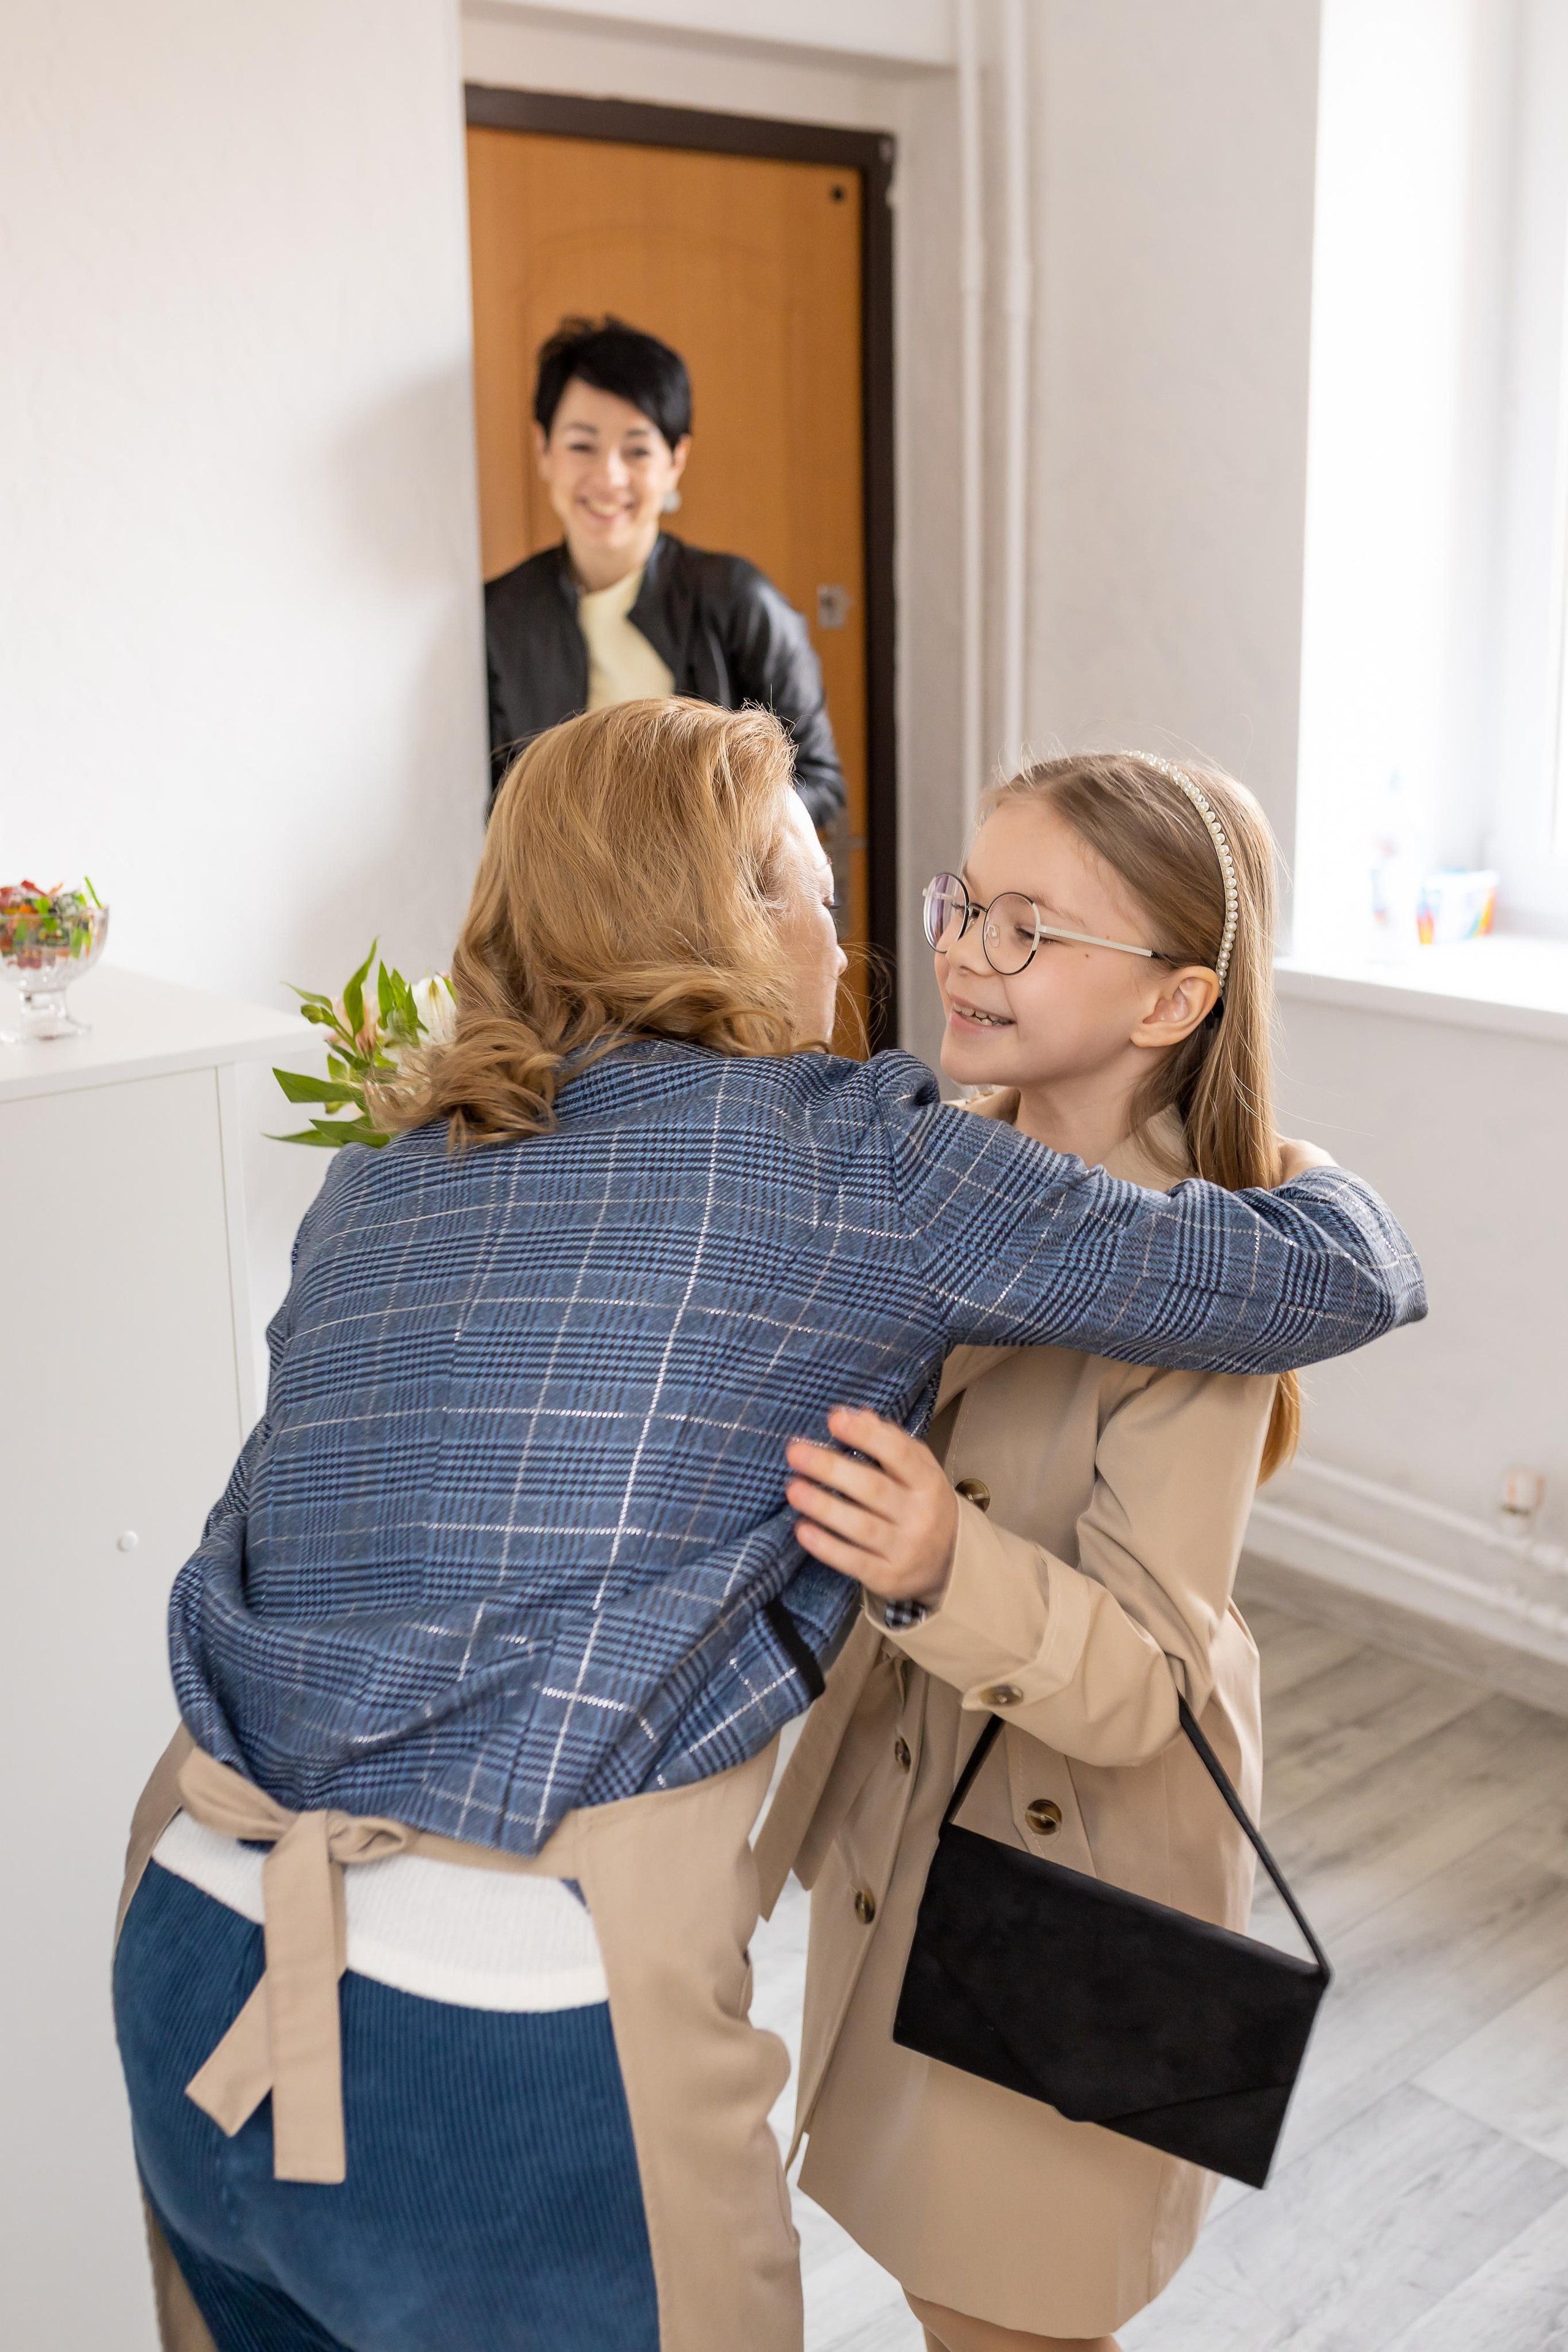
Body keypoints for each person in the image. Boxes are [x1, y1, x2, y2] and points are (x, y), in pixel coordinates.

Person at [111, 702, 1422, 2352]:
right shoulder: (870, 1164)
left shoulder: (392, 1162)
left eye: (1024, 925)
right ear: (720, 915)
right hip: (509, 2019)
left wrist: (950, 1571)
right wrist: (1317, 1171)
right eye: (827, 890)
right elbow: (1337, 1273)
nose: (877, 945)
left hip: (186, 1932)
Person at [764, 751, 1337, 2351]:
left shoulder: (1206, 1278)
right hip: (907, 1841)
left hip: (1061, 1889)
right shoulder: (941, 1156)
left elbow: (1143, 1683)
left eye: (1027, 928)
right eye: (963, 904)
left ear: (1171, 1001)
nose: (960, 953)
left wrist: (941, 1561)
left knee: (1006, 2305)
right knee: (933, 2273)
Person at [484, 316, 846, 829]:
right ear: (544, 451)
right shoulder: (501, 616)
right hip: (562, 886)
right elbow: (496, 798)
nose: (609, 476)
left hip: (718, 883)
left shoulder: (737, 598)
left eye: (637, 450)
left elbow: (819, 780)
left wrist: (705, 831)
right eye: (582, 445)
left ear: (676, 460)